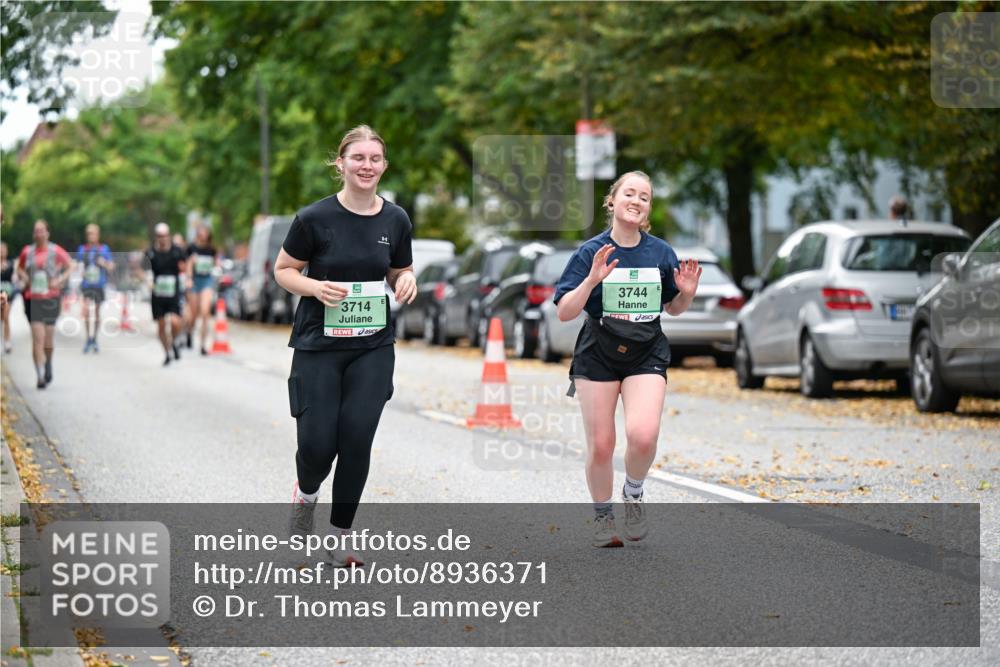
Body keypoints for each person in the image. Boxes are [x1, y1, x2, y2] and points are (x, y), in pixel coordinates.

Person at [274, 125, 416, 567]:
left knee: (357, 437)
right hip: (319, 345)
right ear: (341, 163)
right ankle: (306, 497)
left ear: (384, 166)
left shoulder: (396, 220)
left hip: (372, 346)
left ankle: (339, 537)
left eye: (375, 159)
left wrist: (406, 278)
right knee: (317, 445)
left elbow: (398, 270)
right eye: (358, 158)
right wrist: (315, 288)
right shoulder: (313, 219)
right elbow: (283, 270)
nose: (366, 166)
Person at [553, 171, 701, 548]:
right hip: (598, 353)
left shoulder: (660, 253)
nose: (636, 201)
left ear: (648, 208)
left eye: (645, 197)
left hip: (646, 350)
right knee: (602, 444)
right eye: (629, 194)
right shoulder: (591, 252)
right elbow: (565, 312)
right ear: (613, 201)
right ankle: (603, 517)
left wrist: (685, 294)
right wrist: (591, 281)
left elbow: (674, 308)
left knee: (643, 434)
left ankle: (633, 492)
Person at [16, 220, 72, 389]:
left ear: (48, 233)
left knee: (48, 339)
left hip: (51, 298)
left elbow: (70, 265)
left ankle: (48, 363)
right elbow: (19, 268)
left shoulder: (56, 251)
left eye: (41, 231)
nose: (39, 234)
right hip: (33, 298)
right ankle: (40, 375)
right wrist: (24, 278)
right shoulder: (27, 251)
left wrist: (60, 280)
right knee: (37, 338)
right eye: (36, 231)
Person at [144, 223, 186, 366]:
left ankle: (173, 341)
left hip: (173, 292)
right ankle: (167, 352)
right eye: (160, 236)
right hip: (158, 294)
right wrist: (148, 280)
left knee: (175, 322)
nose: (162, 238)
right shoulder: (150, 253)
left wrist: (187, 277)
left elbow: (185, 267)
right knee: (161, 326)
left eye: (165, 235)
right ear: (156, 237)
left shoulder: (177, 251)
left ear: (168, 235)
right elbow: (140, 270)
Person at [77, 223, 114, 353]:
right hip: (87, 285)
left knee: (97, 312)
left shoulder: (104, 249)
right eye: (88, 234)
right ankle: (88, 338)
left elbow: (111, 266)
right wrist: (80, 270)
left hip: (99, 285)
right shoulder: (82, 249)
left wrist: (103, 263)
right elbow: (78, 266)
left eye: (93, 233)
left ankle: (95, 339)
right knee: (87, 311)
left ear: (98, 235)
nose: (90, 236)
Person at [185, 224, 218, 356]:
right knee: (193, 315)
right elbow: (188, 264)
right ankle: (189, 332)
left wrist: (217, 266)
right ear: (198, 233)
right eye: (201, 232)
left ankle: (203, 345)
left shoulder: (212, 249)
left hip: (207, 281)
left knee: (205, 312)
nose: (203, 234)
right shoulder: (191, 248)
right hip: (194, 281)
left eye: (205, 232)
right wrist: (188, 277)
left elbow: (215, 263)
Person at [1, 241, 15, 353]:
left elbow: (14, 277)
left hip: (8, 294)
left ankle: (7, 341)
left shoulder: (10, 263)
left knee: (5, 317)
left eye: (3, 250)